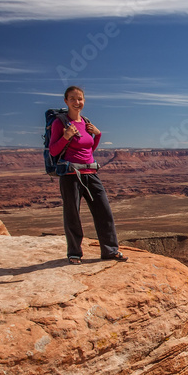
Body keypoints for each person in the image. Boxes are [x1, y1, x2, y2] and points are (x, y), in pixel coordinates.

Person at [48, 86, 127, 264]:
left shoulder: (85, 122)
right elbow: (53, 151)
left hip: (90, 173)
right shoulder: (60, 123)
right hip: (70, 175)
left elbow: (88, 149)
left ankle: (110, 251)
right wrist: (66, 136)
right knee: (72, 215)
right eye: (73, 99)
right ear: (66, 101)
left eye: (80, 99)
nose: (77, 102)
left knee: (104, 212)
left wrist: (98, 135)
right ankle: (74, 253)